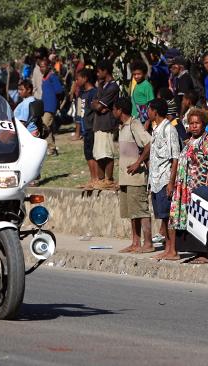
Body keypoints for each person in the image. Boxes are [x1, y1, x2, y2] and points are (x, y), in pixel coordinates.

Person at [160, 107, 208, 262]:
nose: (194, 126)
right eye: (191, 123)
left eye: (197, 123)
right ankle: (188, 251)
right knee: (185, 219)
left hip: (199, 187)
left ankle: (205, 254)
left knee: (201, 220)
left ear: (203, 124)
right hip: (184, 188)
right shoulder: (188, 141)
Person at [113, 97, 154, 254]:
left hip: (136, 178)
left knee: (141, 211)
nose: (112, 112)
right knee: (132, 213)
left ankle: (148, 243)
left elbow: (149, 143)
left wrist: (138, 163)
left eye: (114, 109)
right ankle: (135, 242)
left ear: (120, 110)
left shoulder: (134, 125)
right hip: (126, 178)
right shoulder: (122, 127)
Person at [147, 98, 180, 258]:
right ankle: (167, 249)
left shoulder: (169, 130)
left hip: (165, 180)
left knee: (168, 216)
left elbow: (175, 158)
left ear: (155, 111)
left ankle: (173, 249)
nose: (147, 113)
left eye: (149, 109)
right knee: (163, 218)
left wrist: (171, 182)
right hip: (155, 181)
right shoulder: (156, 129)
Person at [91, 60, 120, 189]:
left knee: (107, 153)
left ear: (105, 71)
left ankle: (109, 179)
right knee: (98, 153)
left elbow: (99, 105)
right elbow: (94, 104)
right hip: (98, 123)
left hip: (107, 123)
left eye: (98, 71)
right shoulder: (102, 86)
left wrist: (98, 105)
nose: (97, 74)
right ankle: (101, 179)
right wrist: (97, 105)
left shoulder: (113, 87)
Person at [75, 68, 99, 189]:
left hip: (92, 128)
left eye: (78, 78)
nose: (76, 81)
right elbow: (79, 112)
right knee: (88, 154)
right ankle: (92, 178)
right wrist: (77, 131)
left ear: (85, 79)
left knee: (93, 154)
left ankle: (96, 179)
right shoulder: (80, 94)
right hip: (85, 129)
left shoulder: (94, 93)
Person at [39, 58, 64, 155]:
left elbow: (59, 90)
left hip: (50, 107)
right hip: (45, 106)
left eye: (43, 66)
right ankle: (52, 149)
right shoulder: (44, 78)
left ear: (48, 66)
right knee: (46, 127)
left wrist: (57, 103)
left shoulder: (52, 77)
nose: (41, 69)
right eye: (40, 67)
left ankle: (51, 149)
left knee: (44, 126)